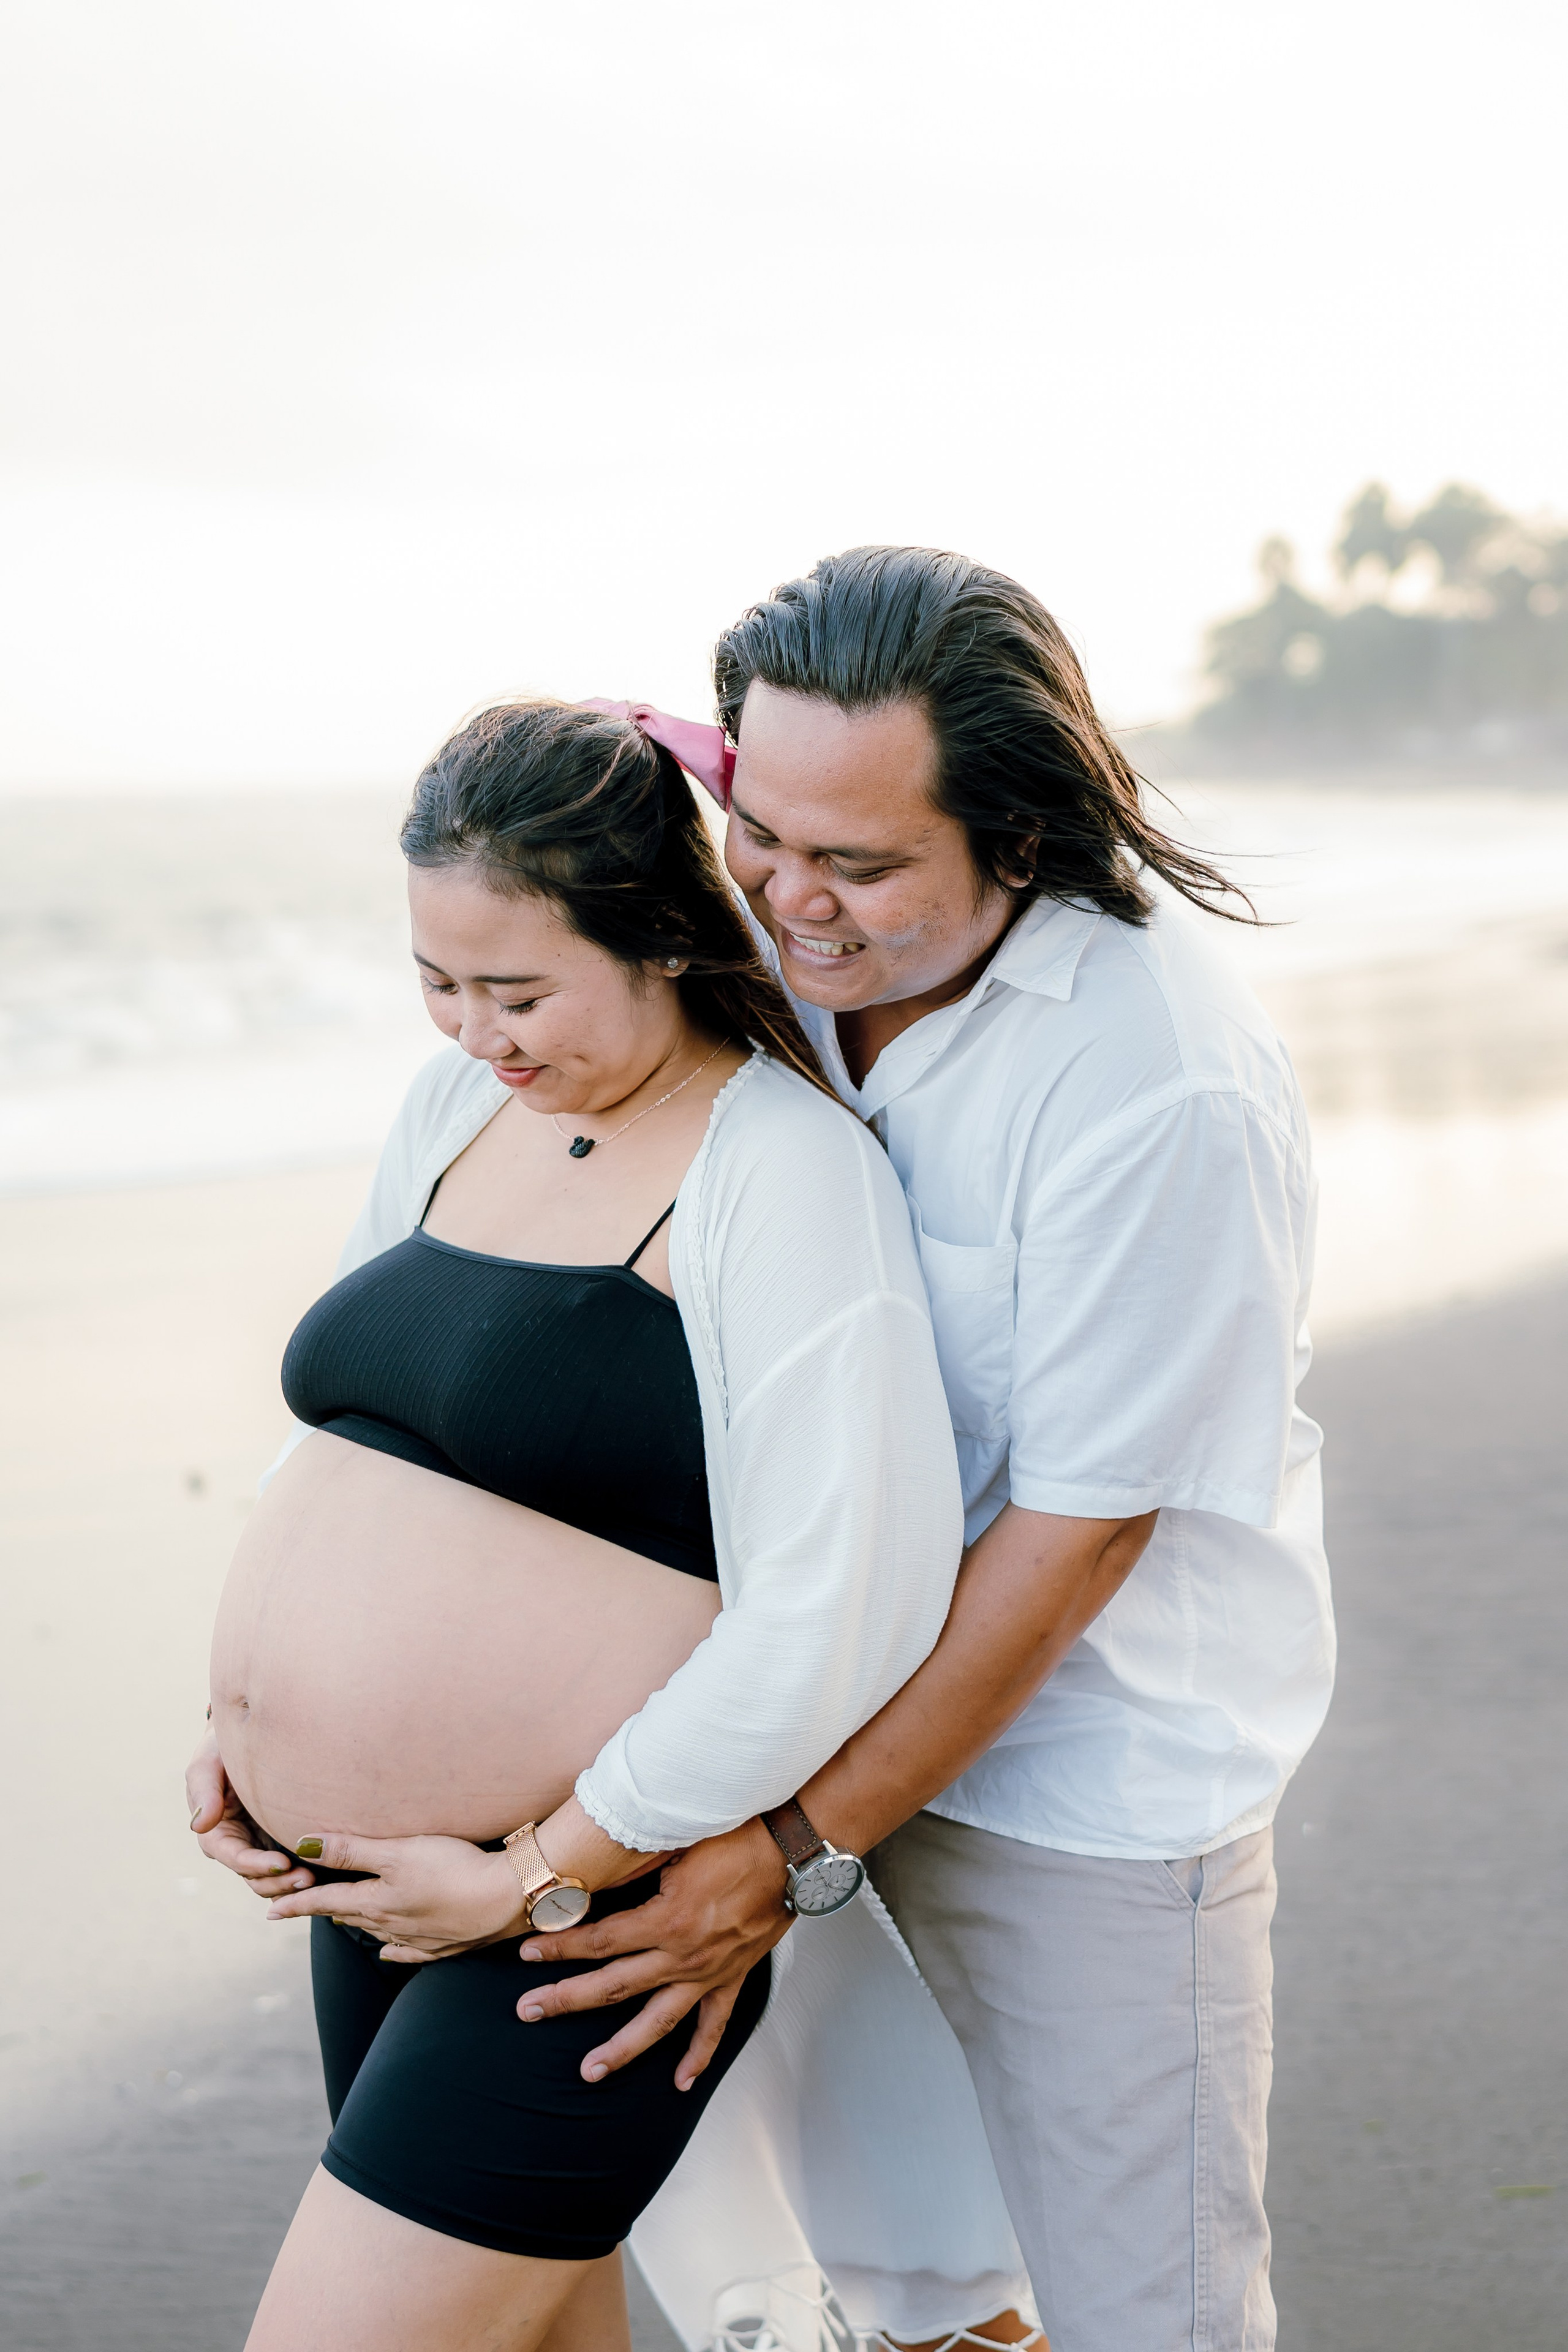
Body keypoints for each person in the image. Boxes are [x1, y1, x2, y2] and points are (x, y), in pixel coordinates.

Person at [509, 549, 1336, 2352]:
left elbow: (1075, 1541)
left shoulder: (1156, 1080)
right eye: (762, 831)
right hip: (791, 1707)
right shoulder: (761, 952)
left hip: (1086, 1775)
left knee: (1157, 2316)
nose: (790, 903)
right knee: (904, 2291)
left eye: (863, 864)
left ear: (1021, 839)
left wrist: (791, 1848)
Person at [184, 696, 1038, 2352]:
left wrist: (532, 1878)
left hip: (577, 1927)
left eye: (518, 989)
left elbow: (841, 1608)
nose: (475, 1031)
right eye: (439, 983)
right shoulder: (456, 1116)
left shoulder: (773, 1169)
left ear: (656, 936)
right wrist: (242, 1731)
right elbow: (359, 1442)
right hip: (376, 1891)